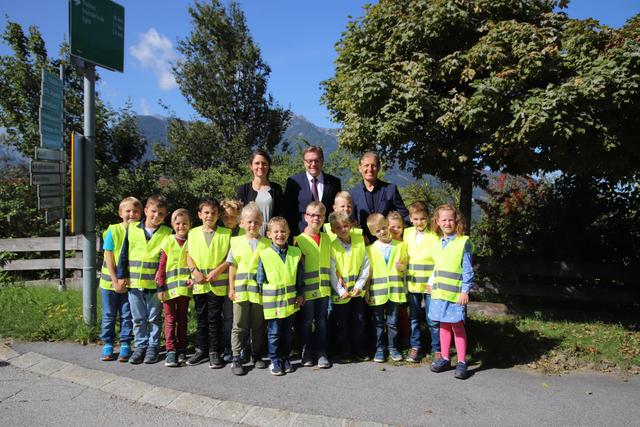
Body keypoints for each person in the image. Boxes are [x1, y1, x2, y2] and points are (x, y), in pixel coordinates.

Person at [116, 195, 172, 365]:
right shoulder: (132, 229)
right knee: (138, 318)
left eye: (161, 214)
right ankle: (140, 346)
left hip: (155, 286)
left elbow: (167, 258)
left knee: (154, 318)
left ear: (165, 215)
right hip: (134, 284)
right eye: (153, 211)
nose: (156, 216)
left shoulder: (167, 233)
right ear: (146, 211)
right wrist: (121, 276)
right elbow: (124, 254)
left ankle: (153, 346)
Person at [428, 204, 473, 380]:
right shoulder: (438, 243)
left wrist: (465, 291)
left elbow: (468, 270)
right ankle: (445, 358)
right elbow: (437, 267)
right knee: (443, 325)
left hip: (455, 295)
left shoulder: (463, 242)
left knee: (457, 326)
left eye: (450, 219)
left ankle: (462, 361)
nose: (447, 223)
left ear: (456, 221)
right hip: (439, 293)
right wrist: (431, 283)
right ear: (437, 222)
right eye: (443, 220)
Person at [185, 198, 231, 369]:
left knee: (214, 319)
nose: (209, 216)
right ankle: (201, 349)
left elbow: (229, 258)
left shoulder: (225, 234)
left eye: (213, 213)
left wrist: (217, 271)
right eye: (206, 213)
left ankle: (214, 351)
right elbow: (188, 255)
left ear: (218, 215)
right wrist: (194, 271)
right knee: (201, 318)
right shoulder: (193, 233)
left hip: (217, 284)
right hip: (199, 284)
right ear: (199, 215)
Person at [256, 217, 305, 376]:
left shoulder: (295, 253)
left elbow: (299, 276)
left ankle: (285, 358)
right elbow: (260, 279)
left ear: (289, 233)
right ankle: (275, 360)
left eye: (283, 231)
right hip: (273, 303)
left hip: (290, 302)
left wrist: (300, 294)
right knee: (274, 332)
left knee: (288, 331)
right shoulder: (264, 254)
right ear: (269, 234)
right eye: (276, 232)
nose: (280, 235)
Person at [227, 203, 271, 375]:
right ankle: (236, 356)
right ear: (242, 223)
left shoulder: (267, 243)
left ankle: (256, 353)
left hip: (259, 291)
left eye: (257, 222)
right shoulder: (236, 242)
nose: (253, 225)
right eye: (249, 222)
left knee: (258, 325)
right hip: (240, 290)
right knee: (238, 324)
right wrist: (231, 288)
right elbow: (232, 267)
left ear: (261, 223)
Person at [98, 196, 141, 362]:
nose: (132, 214)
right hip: (110, 283)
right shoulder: (113, 230)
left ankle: (125, 344)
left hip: (129, 283)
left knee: (127, 315)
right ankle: (108, 343)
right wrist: (116, 281)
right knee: (109, 314)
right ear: (120, 212)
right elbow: (108, 256)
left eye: (135, 211)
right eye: (128, 211)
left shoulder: (140, 232)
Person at [365, 213, 408, 363]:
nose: (382, 232)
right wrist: (367, 291)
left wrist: (402, 267)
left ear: (388, 226)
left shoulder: (401, 246)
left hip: (395, 291)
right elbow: (368, 273)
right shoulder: (369, 250)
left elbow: (405, 267)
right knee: (378, 323)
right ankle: (380, 349)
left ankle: (393, 348)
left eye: (384, 228)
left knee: (393, 322)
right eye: (378, 231)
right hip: (377, 293)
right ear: (372, 233)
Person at [328, 211, 370, 362]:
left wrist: (359, 285)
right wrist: (340, 290)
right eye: (338, 228)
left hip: (357, 292)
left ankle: (359, 351)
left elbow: (366, 265)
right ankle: (345, 353)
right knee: (343, 324)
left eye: (346, 226)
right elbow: (332, 271)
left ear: (351, 225)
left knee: (358, 322)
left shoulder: (359, 241)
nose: (343, 230)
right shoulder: (332, 247)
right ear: (333, 230)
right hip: (341, 294)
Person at [295, 201, 332, 368]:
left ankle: (322, 352)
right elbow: (297, 270)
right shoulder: (299, 240)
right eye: (312, 215)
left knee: (322, 321)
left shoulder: (327, 238)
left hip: (324, 289)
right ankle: (306, 351)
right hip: (307, 291)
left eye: (319, 215)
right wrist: (299, 292)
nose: (315, 218)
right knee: (306, 321)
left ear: (324, 218)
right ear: (305, 217)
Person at [403, 202, 440, 364]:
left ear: (428, 218)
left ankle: (437, 349)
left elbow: (438, 261)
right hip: (412, 284)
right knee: (414, 317)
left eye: (423, 218)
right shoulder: (407, 233)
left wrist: (432, 281)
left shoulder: (434, 236)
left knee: (432, 318)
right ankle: (415, 347)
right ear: (410, 219)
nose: (419, 222)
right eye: (416, 219)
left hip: (430, 284)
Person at [156, 208, 193, 367]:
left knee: (182, 319)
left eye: (185, 223)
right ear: (172, 224)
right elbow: (162, 266)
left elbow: (194, 263)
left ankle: (182, 348)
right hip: (168, 289)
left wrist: (192, 279)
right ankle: (171, 350)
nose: (181, 226)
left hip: (184, 288)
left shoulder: (192, 241)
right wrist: (160, 288)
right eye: (178, 223)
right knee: (170, 320)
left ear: (190, 225)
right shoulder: (168, 241)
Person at [283, 145, 342, 238]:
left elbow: (337, 210)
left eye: (317, 160)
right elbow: (287, 212)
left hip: (328, 236)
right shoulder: (293, 182)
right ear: (304, 162)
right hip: (301, 236)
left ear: (322, 161)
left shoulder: (334, 183)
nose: (313, 164)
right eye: (309, 161)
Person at [350, 152, 409, 242]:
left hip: (389, 245)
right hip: (364, 245)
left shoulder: (390, 189)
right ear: (360, 168)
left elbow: (404, 215)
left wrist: (421, 230)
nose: (370, 169)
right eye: (366, 165)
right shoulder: (353, 193)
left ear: (378, 168)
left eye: (373, 165)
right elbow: (352, 221)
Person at [236, 150, 284, 236]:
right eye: (257, 163)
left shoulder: (276, 189)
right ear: (251, 166)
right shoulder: (244, 189)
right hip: (248, 236)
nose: (261, 166)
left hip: (270, 236)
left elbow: (280, 215)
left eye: (264, 163)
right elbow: (239, 216)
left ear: (269, 166)